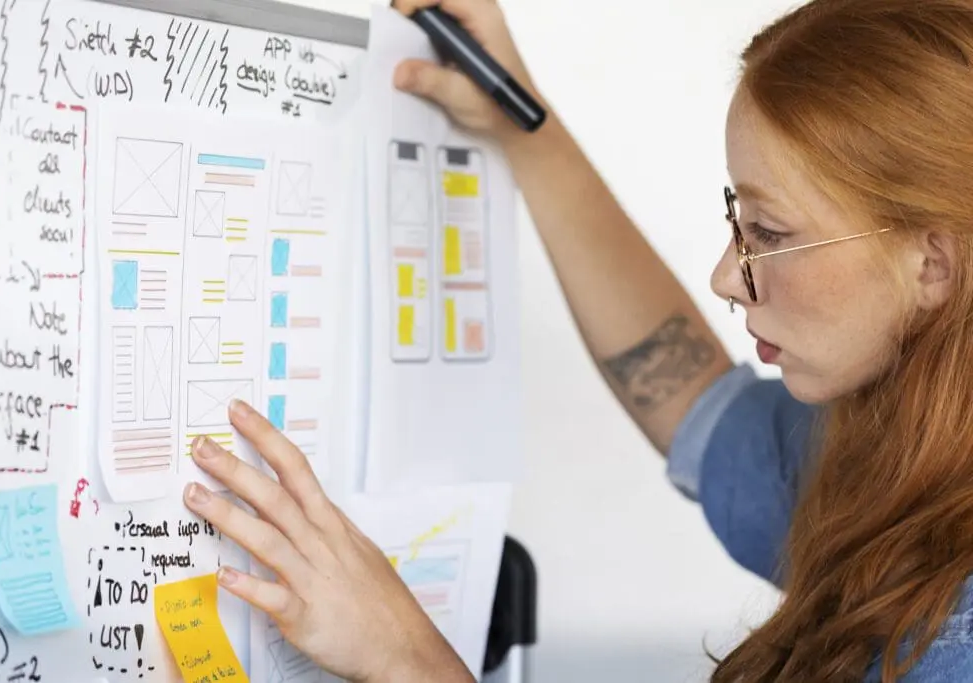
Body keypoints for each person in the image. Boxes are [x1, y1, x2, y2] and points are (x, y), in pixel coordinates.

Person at [179, 0, 973, 680]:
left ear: (932, 263)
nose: (726, 275)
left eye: (768, 231)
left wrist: (408, 656)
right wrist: (525, 128)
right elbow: (691, 394)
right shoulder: (879, 455)